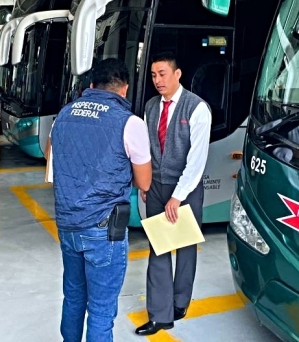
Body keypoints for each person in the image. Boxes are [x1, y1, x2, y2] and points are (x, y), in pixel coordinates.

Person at [49, 58, 152, 342]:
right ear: (124, 89)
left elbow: (52, 160)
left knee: (73, 297)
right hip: (104, 229)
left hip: (68, 224)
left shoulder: (64, 114)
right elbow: (144, 181)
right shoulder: (130, 123)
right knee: (101, 310)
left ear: (91, 85)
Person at [136, 52, 211, 337]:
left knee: (186, 245)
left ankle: (180, 301)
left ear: (177, 74)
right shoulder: (151, 107)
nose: (158, 80)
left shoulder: (197, 108)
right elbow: (145, 148)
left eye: (163, 74)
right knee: (159, 247)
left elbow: (196, 159)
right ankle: (161, 314)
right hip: (156, 185)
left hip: (186, 189)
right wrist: (145, 184)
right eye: (154, 75)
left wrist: (178, 196)